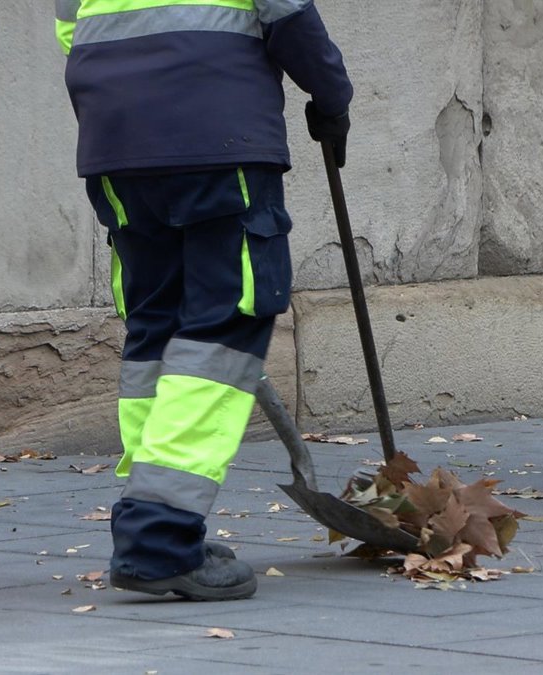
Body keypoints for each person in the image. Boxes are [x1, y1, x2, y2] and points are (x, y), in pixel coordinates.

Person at [54, 0, 351, 601]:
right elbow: (290, 17)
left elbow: (73, 34)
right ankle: (160, 542)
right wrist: (332, 97)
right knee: (223, 329)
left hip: (118, 149)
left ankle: (154, 526)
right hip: (220, 143)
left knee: (155, 332)